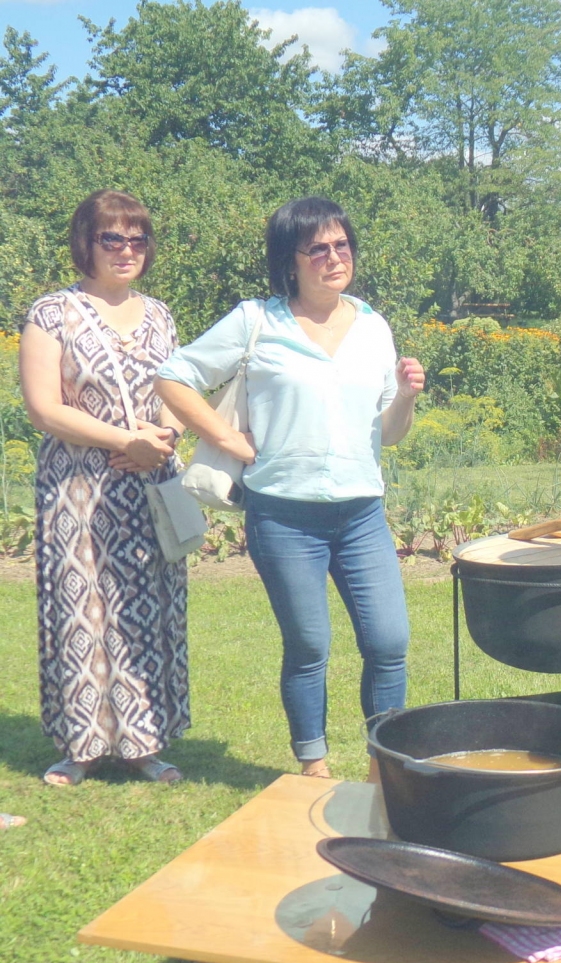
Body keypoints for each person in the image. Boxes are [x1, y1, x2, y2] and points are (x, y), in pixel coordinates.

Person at [155, 196, 424, 781]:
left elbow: (391, 434)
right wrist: (230, 437)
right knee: (309, 647)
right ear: (291, 260)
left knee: (389, 640)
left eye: (342, 245)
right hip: (283, 516)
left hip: (360, 514)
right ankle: (314, 767)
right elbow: (174, 378)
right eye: (318, 248)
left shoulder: (374, 326)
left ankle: (385, 768)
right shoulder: (257, 320)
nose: (334, 257)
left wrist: (405, 397)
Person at [20, 189, 189, 787]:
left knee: (147, 613)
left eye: (136, 238)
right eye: (110, 239)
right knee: (82, 609)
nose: (125, 250)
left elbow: (179, 394)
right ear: (85, 244)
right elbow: (43, 409)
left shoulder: (161, 314)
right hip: (79, 488)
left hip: (149, 486)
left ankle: (145, 743)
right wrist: (125, 438)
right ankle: (82, 744)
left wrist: (164, 435)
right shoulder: (51, 313)